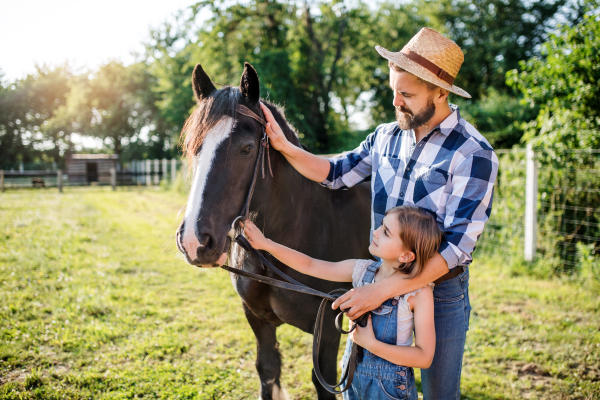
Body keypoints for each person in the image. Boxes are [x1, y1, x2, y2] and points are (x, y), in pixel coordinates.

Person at [259, 27, 498, 399]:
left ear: (440, 92)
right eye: (393, 91)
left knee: (439, 393)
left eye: (407, 94)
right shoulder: (386, 136)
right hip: (378, 278)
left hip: (438, 291)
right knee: (370, 384)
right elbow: (335, 173)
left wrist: (381, 291)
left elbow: (456, 248)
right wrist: (286, 147)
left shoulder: (474, 154)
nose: (396, 103)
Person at [244, 205, 443, 400]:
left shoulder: (419, 293)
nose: (375, 231)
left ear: (406, 256)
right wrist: (266, 244)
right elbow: (309, 264)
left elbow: (424, 357)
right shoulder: (361, 270)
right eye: (381, 225)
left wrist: (370, 344)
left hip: (389, 390)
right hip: (351, 378)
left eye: (386, 232)